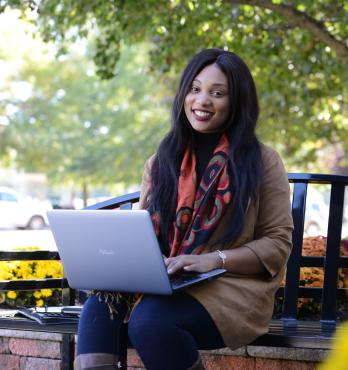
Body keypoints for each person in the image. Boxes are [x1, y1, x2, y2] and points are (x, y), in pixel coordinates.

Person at [74, 48, 293, 370]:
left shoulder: (261, 161)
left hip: (229, 286)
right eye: (195, 89)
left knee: (151, 322)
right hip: (166, 280)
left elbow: (277, 243)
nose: (202, 100)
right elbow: (146, 232)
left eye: (217, 93)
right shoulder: (161, 161)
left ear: (237, 102)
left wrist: (209, 260)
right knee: (99, 308)